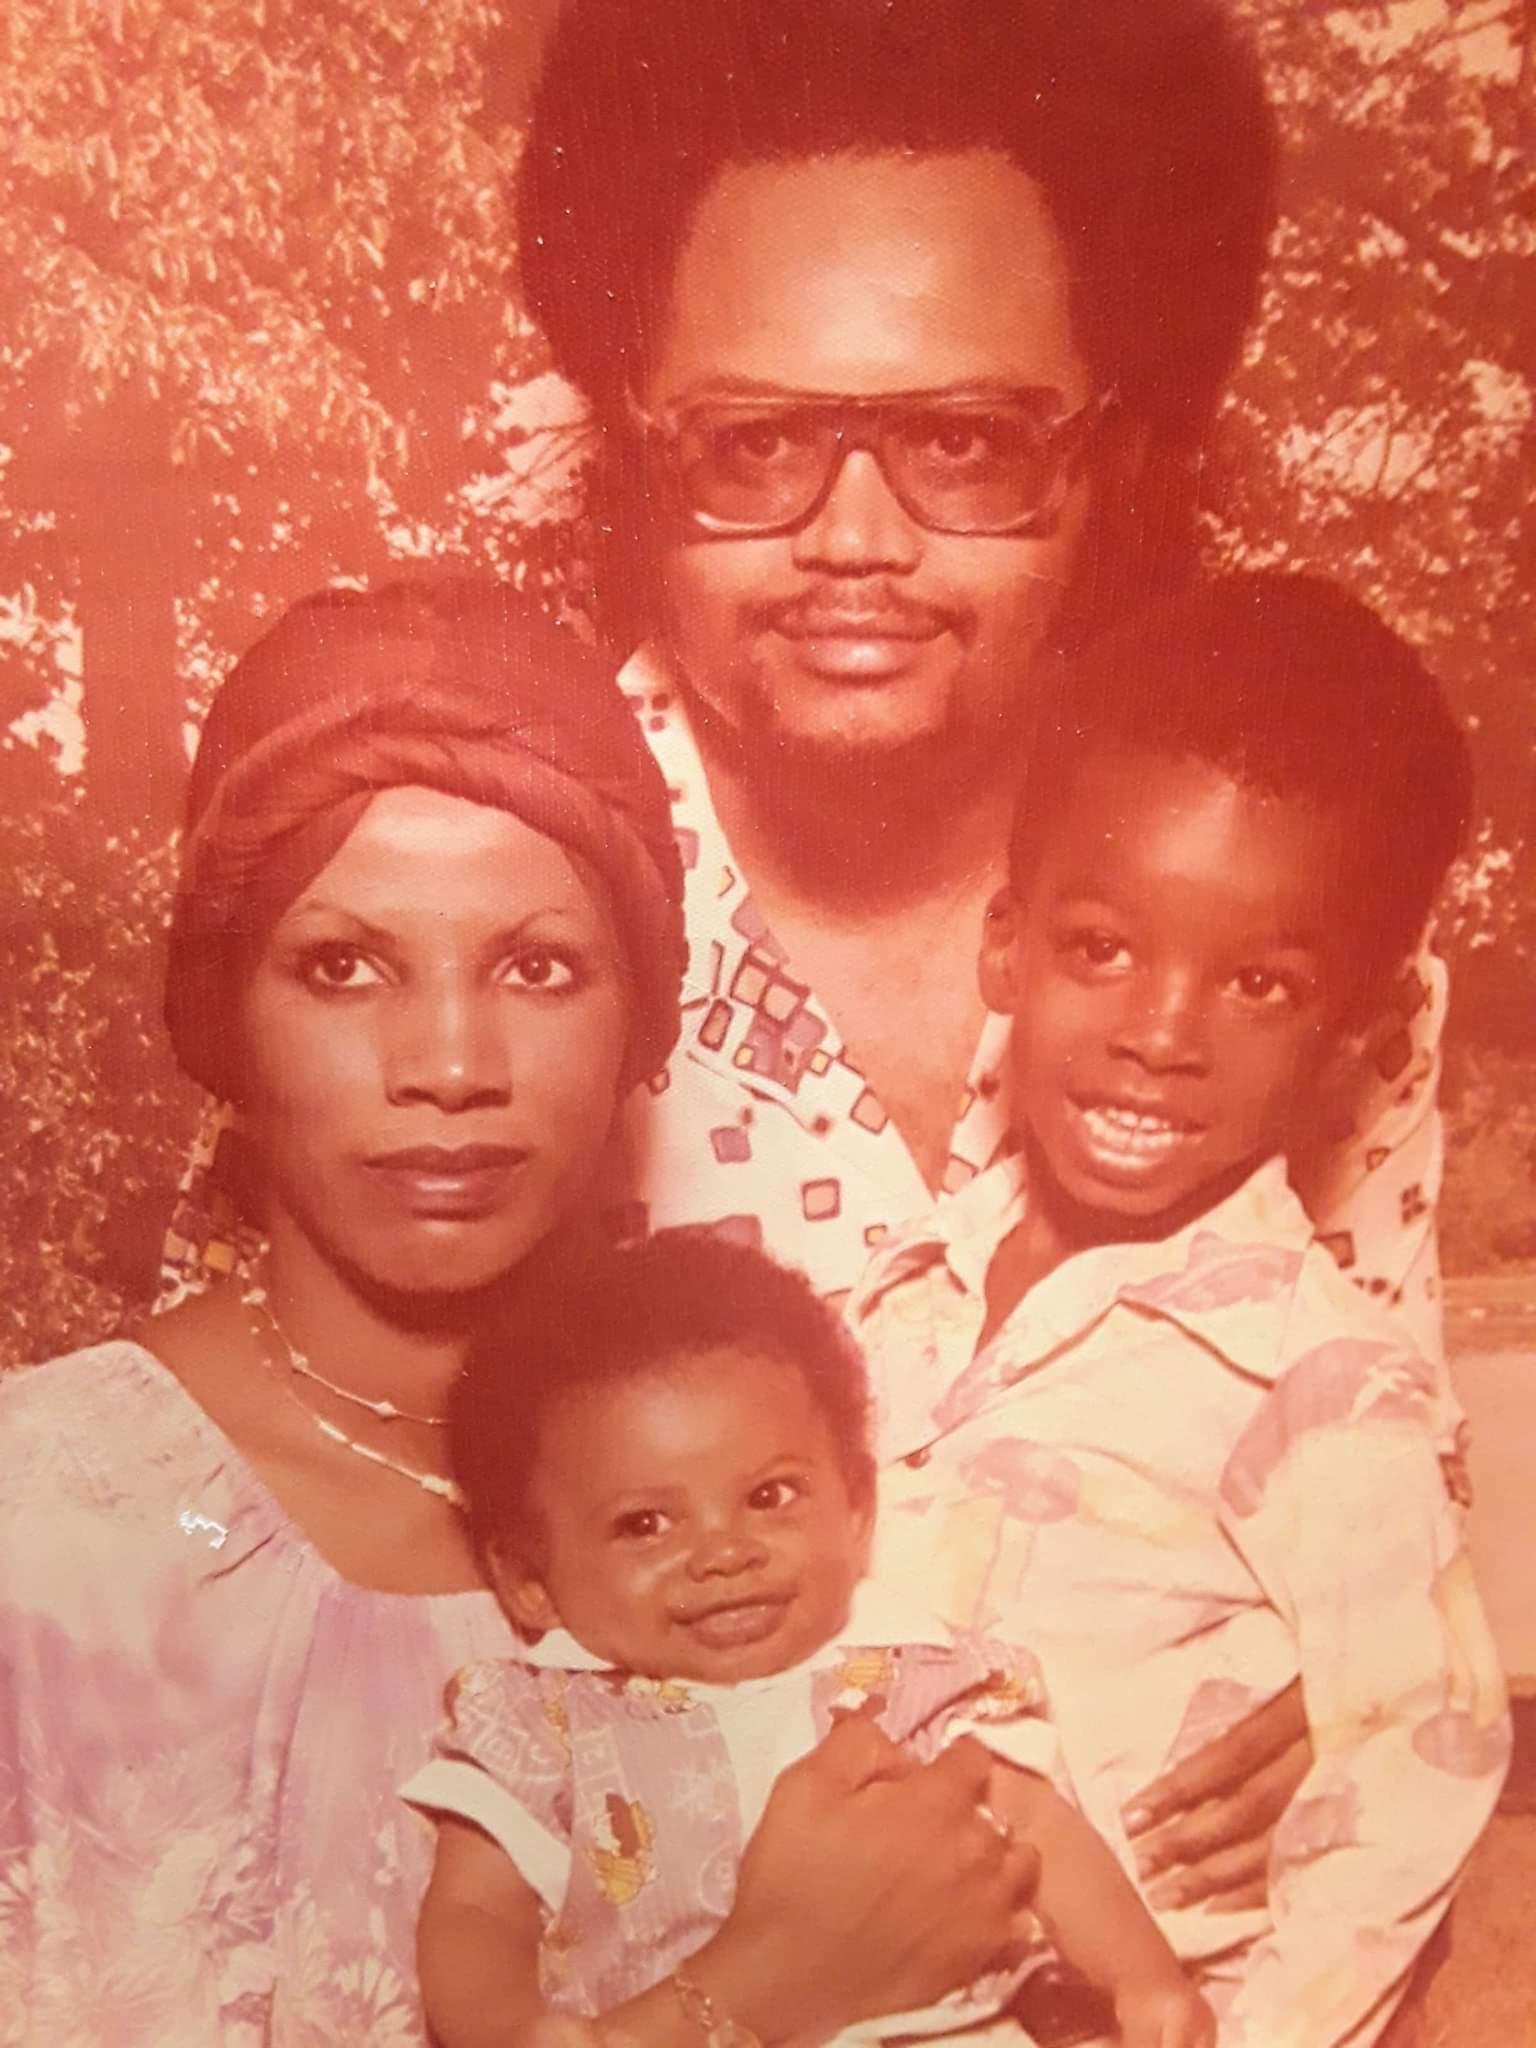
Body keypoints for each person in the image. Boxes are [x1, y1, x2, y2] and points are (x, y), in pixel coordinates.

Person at [163, 0, 1451, 1948]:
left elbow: (1377, 1448)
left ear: (1111, 450)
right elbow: (270, 1537)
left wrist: (1373, 1668)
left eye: (963, 441)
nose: (856, 541)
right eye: (753, 443)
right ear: (634, 442)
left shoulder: (1282, 913)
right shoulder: (481, 890)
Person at [0, 581, 1039, 2045]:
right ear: (224, 1010)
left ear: (639, 1021)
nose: (449, 1062)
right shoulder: (41, 1534)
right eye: (343, 966)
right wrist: (748, 1995)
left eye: (539, 967)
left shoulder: (806, 1501)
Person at [847, 574, 1512, 2047]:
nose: (1159, 1034)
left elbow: (1416, 1770)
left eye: (1260, 985)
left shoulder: (1319, 1380)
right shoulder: (898, 1294)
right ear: (1006, 943)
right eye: (1103, 947)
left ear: (1352, 1035)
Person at [408, 1230, 1214, 2048]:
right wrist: (504, 2027)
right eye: (644, 1524)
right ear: (530, 1580)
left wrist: (1144, 1979)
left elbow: (1041, 1831)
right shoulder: (546, 1725)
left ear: (857, 1507)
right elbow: (474, 1912)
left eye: (770, 1496)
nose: (724, 1553)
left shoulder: (917, 1676)